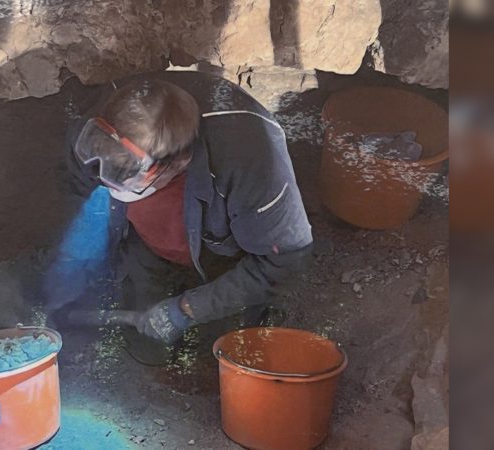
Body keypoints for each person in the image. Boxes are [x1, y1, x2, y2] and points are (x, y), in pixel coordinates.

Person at [59, 71, 313, 346]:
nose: (106, 179)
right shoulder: (98, 129)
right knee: (146, 316)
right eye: (103, 163)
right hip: (143, 240)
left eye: (124, 172)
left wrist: (189, 309)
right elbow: (76, 185)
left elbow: (283, 261)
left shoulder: (252, 165)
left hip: (221, 253)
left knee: (226, 339)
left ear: (179, 162)